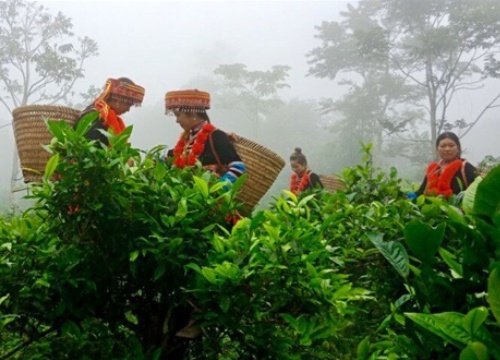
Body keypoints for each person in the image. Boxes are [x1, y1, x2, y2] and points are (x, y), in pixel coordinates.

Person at [164, 89, 246, 185]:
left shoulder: (216, 136)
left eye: (178, 115)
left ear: (192, 113)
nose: (177, 121)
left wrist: (218, 190)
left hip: (208, 198)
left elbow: (238, 167)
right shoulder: (186, 140)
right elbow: (168, 158)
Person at [75, 77, 145, 146]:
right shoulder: (95, 116)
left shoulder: (109, 118)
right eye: (128, 105)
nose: (128, 110)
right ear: (118, 99)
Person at [408, 131, 478, 199]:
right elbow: (420, 192)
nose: (447, 149)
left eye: (451, 145)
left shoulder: (466, 168)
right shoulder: (433, 170)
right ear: (437, 149)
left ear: (458, 148)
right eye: (443, 146)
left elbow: (477, 192)